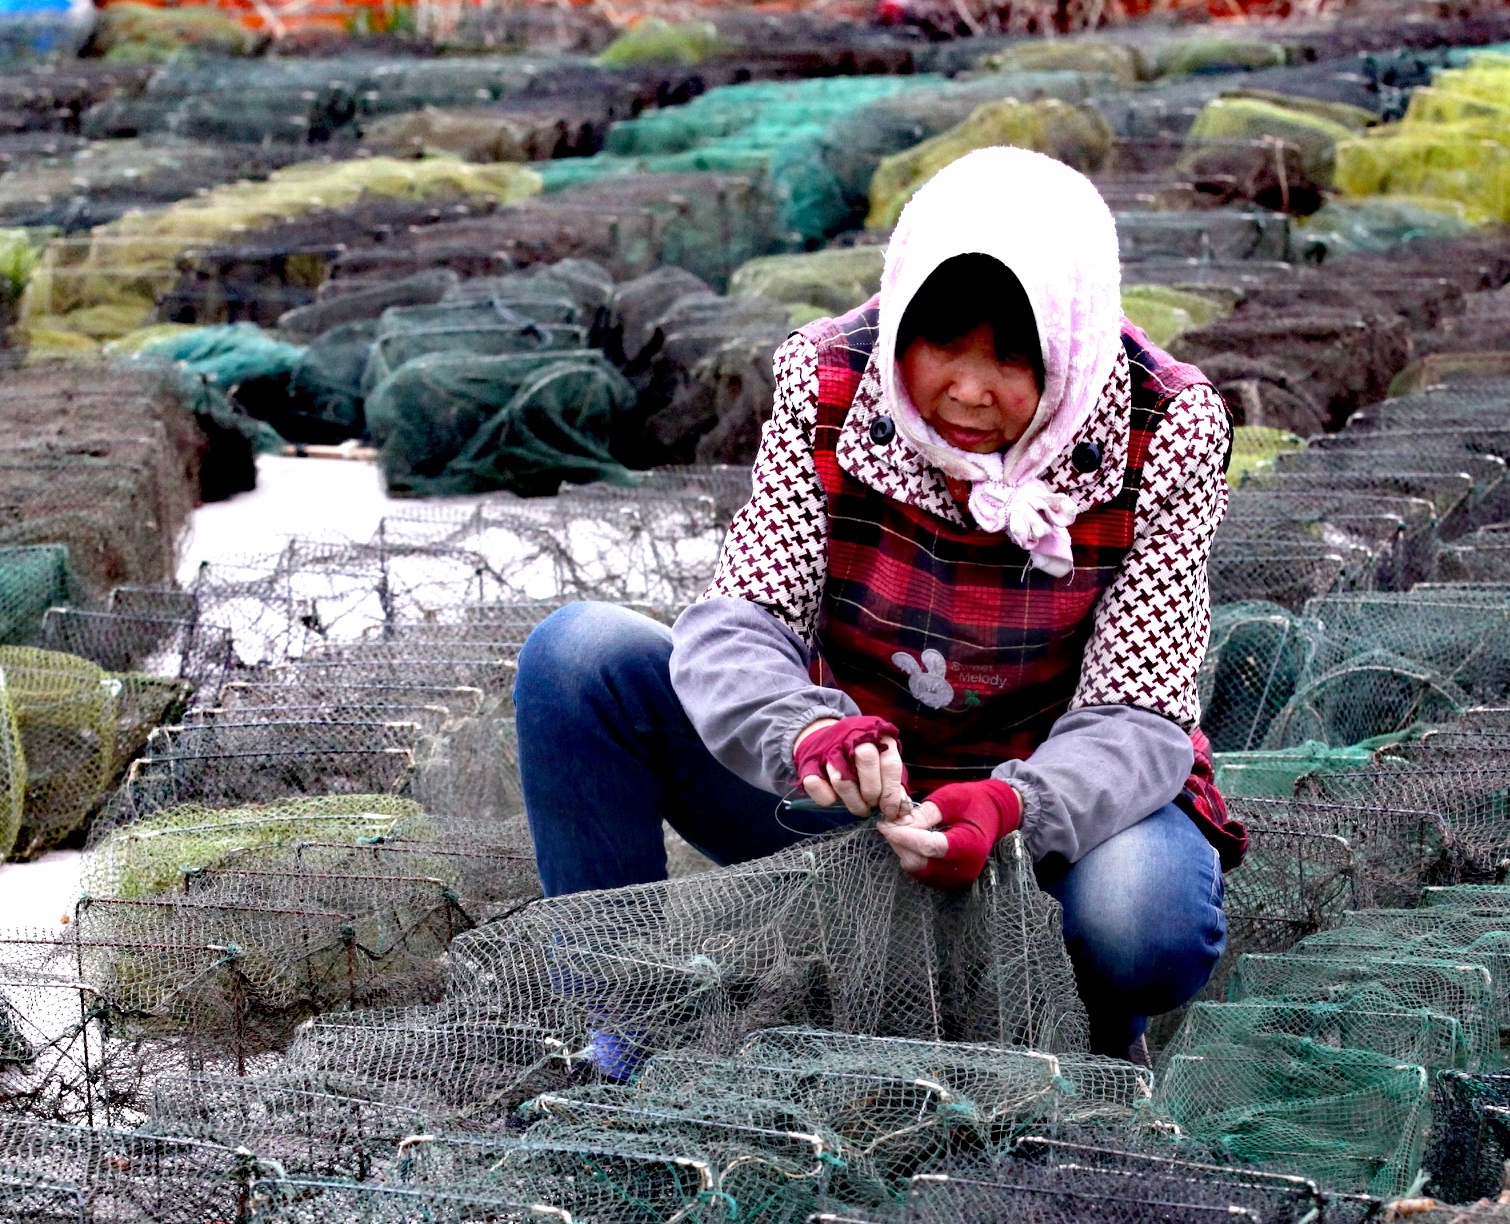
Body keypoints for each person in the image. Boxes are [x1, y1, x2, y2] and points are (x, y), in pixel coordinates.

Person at [512, 145, 1242, 1061]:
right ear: (902, 324)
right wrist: (809, 734)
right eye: (941, 346)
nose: (969, 391)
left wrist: (1009, 808)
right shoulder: (833, 379)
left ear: (1070, 343)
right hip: (858, 793)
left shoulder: (1163, 423)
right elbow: (743, 617)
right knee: (578, 657)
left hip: (1043, 824)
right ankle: (621, 1028)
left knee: (1145, 923)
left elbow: (1138, 716)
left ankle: (1089, 1028)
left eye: (1014, 359)